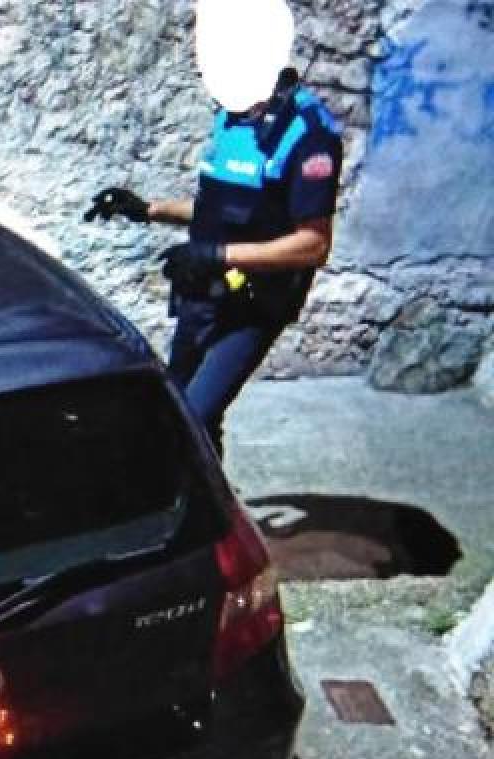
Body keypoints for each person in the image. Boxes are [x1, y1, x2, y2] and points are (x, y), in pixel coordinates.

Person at [85, 0, 342, 456]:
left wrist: (218, 255)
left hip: (253, 302)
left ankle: (212, 521)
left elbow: (313, 245)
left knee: (196, 416)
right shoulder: (232, 114)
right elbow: (219, 210)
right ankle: (208, 503)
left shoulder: (307, 133)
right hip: (201, 292)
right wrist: (148, 209)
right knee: (179, 410)